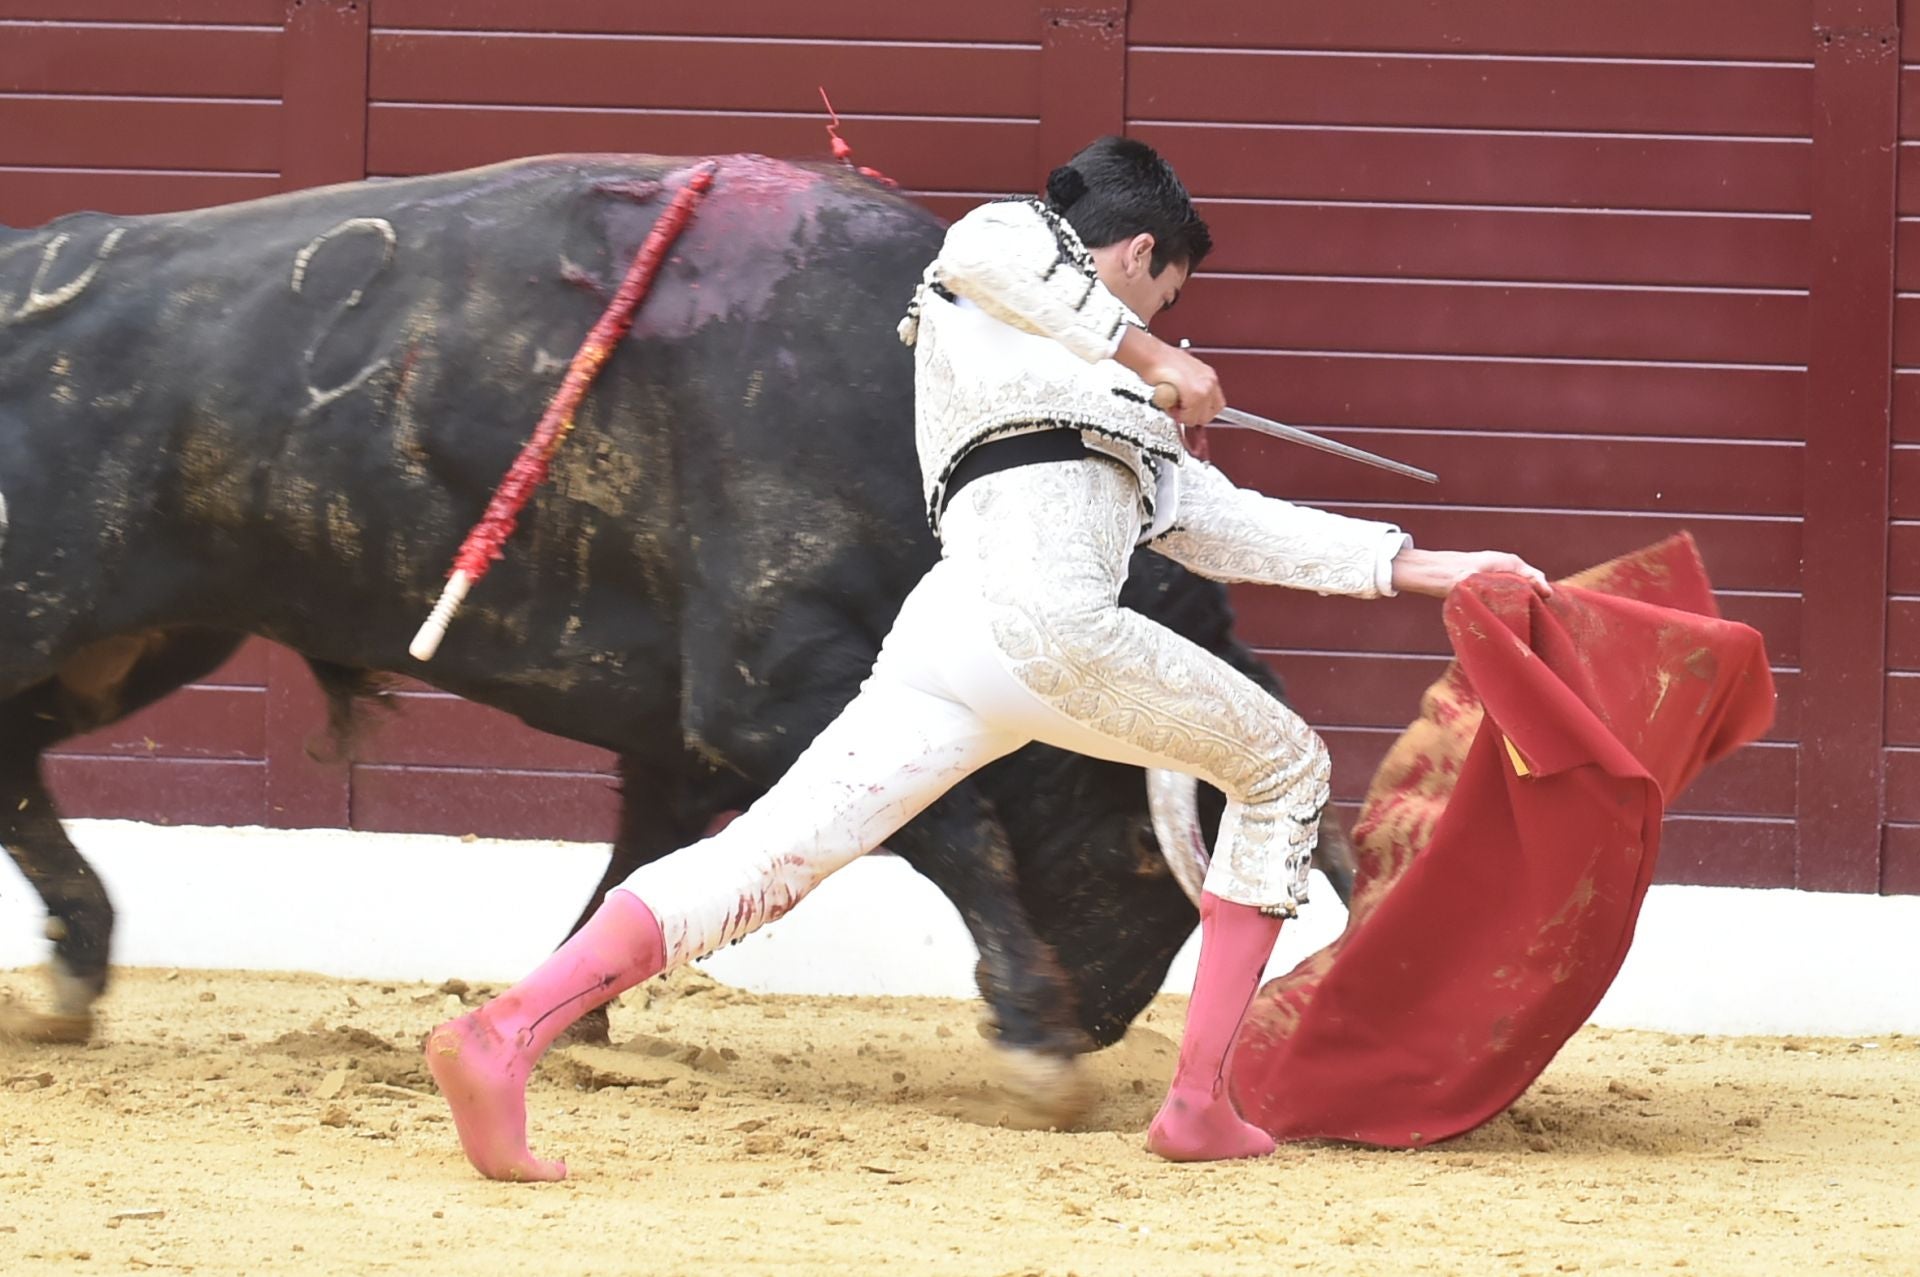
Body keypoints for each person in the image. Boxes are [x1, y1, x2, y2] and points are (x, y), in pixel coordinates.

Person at [426, 136, 1551, 1180]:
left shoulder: (1105, 378)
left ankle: (504, 1028)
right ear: (1140, 252)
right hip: (1043, 621)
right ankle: (1198, 1102)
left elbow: (1211, 516)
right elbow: (986, 250)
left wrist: (1426, 566)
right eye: (1169, 292)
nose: (1174, 322)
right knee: (1288, 769)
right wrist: (1148, 345)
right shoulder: (1008, 252)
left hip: (956, 632)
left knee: (773, 852)